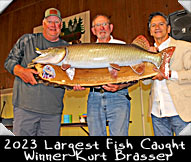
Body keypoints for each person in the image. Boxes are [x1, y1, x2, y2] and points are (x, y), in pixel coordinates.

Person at [4, 8, 68, 136]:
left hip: (52, 113)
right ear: (43, 23)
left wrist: (76, 85)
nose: (53, 25)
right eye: (50, 21)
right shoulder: (27, 40)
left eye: (57, 22)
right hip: (25, 109)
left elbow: (69, 79)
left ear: (61, 25)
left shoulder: (67, 48)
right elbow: (9, 62)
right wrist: (21, 71)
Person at [75, 14, 132, 136]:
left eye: (104, 24)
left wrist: (120, 87)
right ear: (93, 30)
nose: (101, 28)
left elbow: (135, 76)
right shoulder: (87, 51)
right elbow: (81, 74)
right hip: (94, 98)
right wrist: (77, 84)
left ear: (110, 27)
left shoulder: (123, 46)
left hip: (119, 97)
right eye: (98, 25)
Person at [144, 12, 191, 136]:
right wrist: (147, 61)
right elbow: (145, 82)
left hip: (181, 112)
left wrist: (169, 74)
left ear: (168, 28)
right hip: (157, 113)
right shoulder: (147, 52)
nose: (157, 27)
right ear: (150, 31)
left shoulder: (185, 47)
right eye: (153, 25)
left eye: (161, 24)